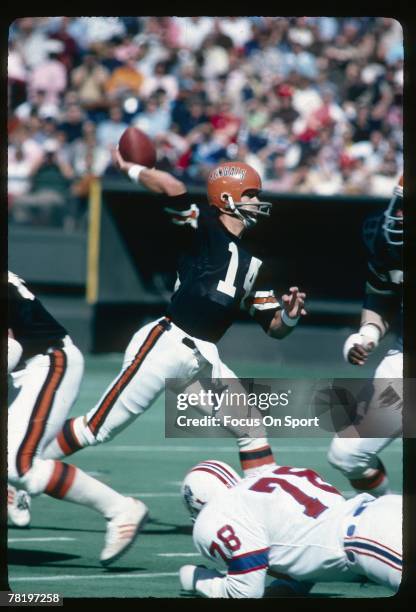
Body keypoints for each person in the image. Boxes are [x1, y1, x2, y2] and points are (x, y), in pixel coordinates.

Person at [44, 156, 306, 476]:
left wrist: (290, 316)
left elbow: (276, 328)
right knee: (96, 428)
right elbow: (172, 186)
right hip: (166, 345)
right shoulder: (204, 227)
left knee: (251, 428)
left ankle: (262, 505)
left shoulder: (252, 264)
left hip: (203, 358)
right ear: (227, 198)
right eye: (250, 193)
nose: (257, 200)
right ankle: (22, 468)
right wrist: (129, 167)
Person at [7, 271, 148, 565]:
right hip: (21, 370)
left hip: (45, 364)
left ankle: (121, 510)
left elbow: (10, 349)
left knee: (19, 468)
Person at [179, 460, 402, 598]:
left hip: (364, 539)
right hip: (384, 510)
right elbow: (306, 541)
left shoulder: (217, 512)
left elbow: (245, 592)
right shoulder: (267, 481)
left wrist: (198, 579)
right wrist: (287, 587)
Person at [327, 175, 403, 496]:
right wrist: (368, 333)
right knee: (347, 454)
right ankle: (383, 521)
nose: (399, 215)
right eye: (400, 206)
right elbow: (381, 297)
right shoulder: (390, 246)